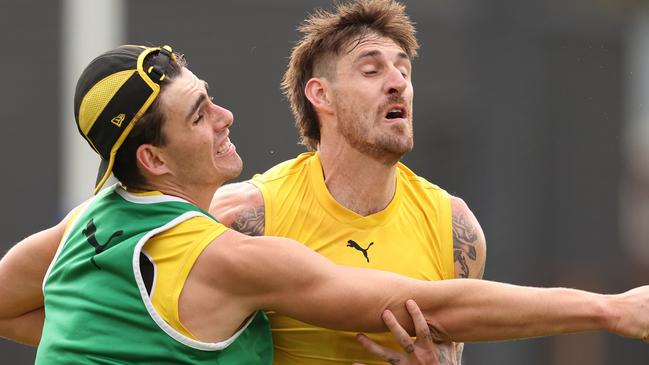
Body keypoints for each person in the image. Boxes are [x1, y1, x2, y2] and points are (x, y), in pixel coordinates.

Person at [2, 44, 649, 365]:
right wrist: (611, 308)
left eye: (402, 66)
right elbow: (430, 304)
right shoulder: (228, 250)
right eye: (200, 115)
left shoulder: (80, 227)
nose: (225, 117)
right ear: (155, 159)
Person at [210, 0, 479, 363]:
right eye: (371, 71)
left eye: (404, 70)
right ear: (321, 95)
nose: (399, 83)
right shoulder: (241, 216)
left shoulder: (456, 230)